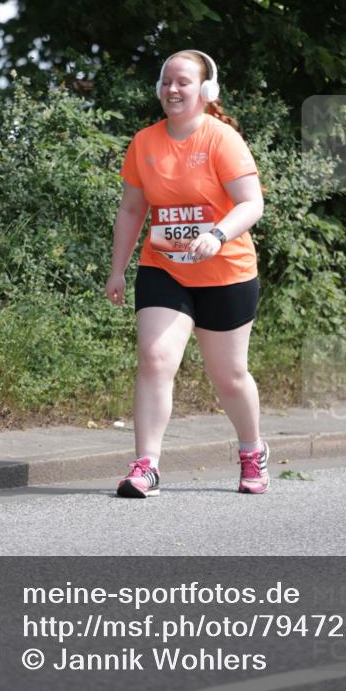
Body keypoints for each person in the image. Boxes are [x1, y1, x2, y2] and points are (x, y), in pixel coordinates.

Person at [105, 49, 269, 498]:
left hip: (226, 272)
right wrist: (118, 269)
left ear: (205, 91)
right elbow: (133, 208)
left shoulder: (221, 140)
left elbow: (251, 203)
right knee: (155, 359)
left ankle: (252, 450)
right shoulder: (145, 142)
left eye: (183, 82)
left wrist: (217, 235)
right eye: (166, 82)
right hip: (165, 268)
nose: (172, 90)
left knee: (229, 376)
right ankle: (146, 466)